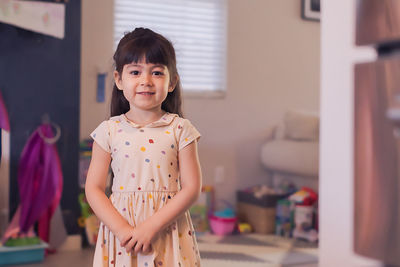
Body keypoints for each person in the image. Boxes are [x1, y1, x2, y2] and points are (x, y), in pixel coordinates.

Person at [85, 28, 202, 267]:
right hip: (122, 232)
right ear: (119, 80)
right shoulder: (108, 130)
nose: (146, 81)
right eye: (135, 72)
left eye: (157, 72)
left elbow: (191, 188)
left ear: (172, 82)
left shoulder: (180, 129)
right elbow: (94, 188)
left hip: (167, 229)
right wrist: (122, 230)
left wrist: (151, 227)